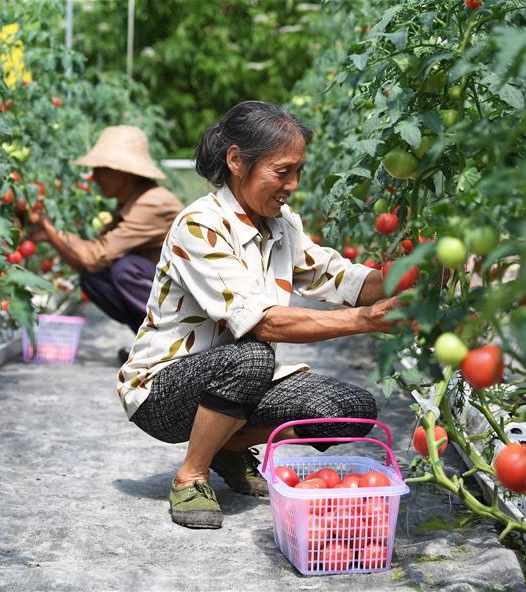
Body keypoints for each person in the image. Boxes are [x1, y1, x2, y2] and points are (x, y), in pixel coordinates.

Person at [116, 101, 409, 529]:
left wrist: (414, 273)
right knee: (253, 353)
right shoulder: (200, 224)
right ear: (236, 161)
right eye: (282, 171)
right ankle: (191, 474)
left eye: (298, 172)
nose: (292, 184)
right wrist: (365, 321)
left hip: (239, 379)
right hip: (162, 391)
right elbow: (263, 323)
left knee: (350, 409)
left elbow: (339, 277)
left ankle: (227, 448)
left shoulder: (280, 224)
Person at [28, 126, 183, 362]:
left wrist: (49, 225)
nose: (94, 176)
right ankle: (150, 346)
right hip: (171, 295)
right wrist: (51, 236)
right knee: (93, 278)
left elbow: (93, 256)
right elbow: (87, 265)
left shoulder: (152, 203)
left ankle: (176, 346)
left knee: (124, 269)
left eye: (101, 169)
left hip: (186, 303)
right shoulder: (132, 201)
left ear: (124, 172)